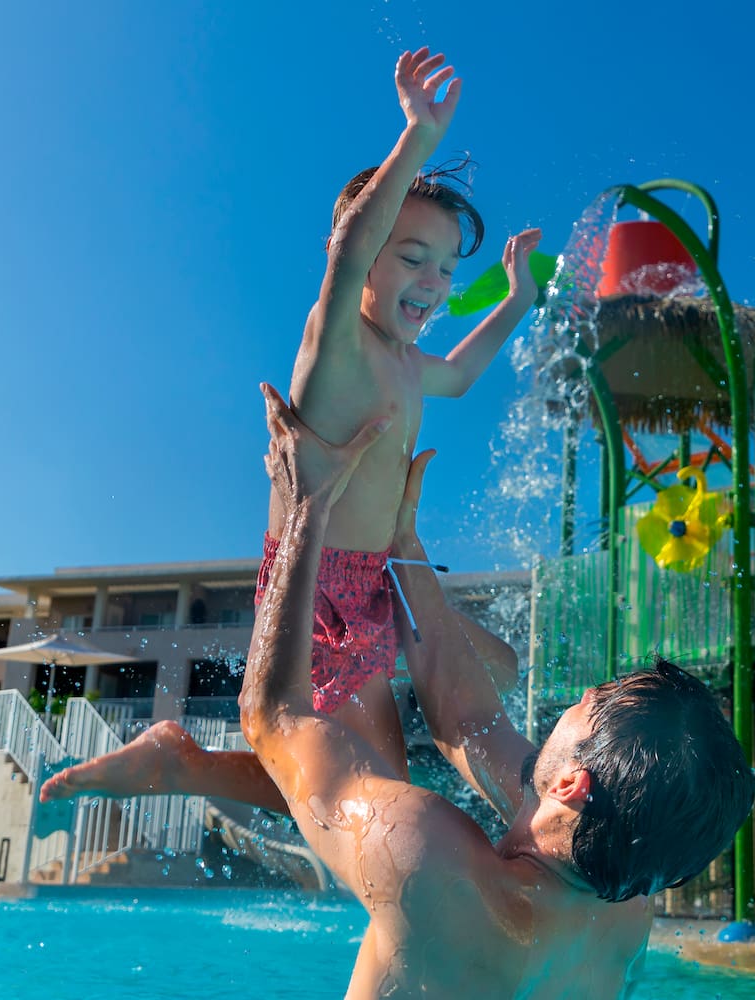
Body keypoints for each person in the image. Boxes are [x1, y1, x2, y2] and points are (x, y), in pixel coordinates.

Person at [40, 48, 535, 810]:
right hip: (321, 583)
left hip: (382, 580)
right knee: (370, 794)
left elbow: (463, 377)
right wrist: (417, 142)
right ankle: (181, 765)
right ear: (367, 260)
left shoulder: (407, 362)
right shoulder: (336, 345)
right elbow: (348, 245)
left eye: (443, 267)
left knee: (492, 669)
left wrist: (515, 301)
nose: (433, 281)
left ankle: (181, 764)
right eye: (412, 257)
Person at [239, 385, 755, 997]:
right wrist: (403, 542)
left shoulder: (426, 855)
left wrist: (307, 509)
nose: (585, 692)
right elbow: (471, 721)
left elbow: (274, 718)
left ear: (571, 784)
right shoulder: (624, 908)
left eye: (591, 704)